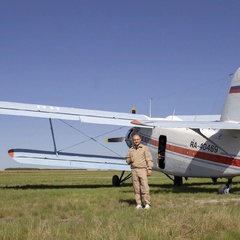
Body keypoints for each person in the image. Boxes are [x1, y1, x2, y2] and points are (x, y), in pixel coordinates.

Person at [126, 134, 153, 209]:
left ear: (140, 140)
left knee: (145, 186)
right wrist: (130, 160)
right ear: (133, 140)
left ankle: (147, 203)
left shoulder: (145, 148)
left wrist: (149, 168)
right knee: (136, 187)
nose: (136, 141)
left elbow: (149, 159)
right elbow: (127, 160)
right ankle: (139, 204)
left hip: (142, 169)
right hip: (134, 170)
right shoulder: (131, 150)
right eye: (134, 140)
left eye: (137, 139)